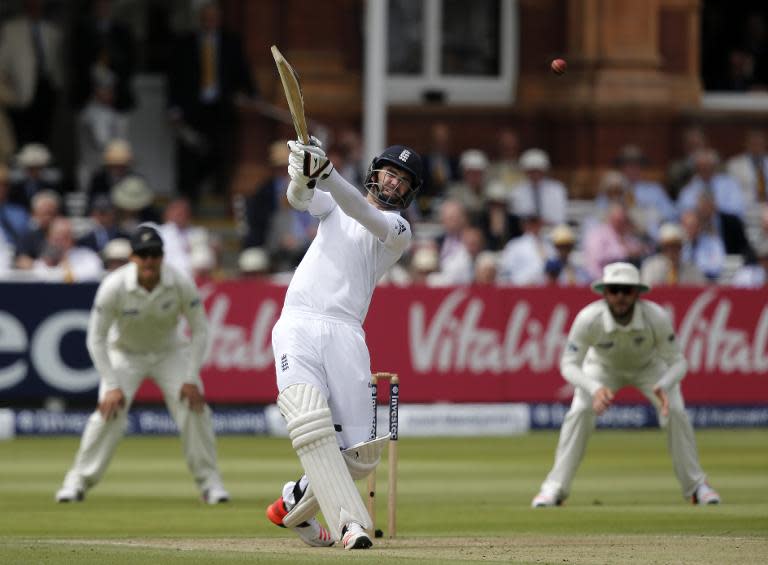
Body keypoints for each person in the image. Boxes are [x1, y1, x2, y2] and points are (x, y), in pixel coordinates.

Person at [265, 140, 423, 550]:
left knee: (362, 456)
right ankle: (352, 525)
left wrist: (328, 172)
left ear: (410, 192)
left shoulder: (398, 230)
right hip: (298, 319)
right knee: (309, 419)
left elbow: (361, 210)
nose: (394, 182)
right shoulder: (332, 203)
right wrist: (302, 172)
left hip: (346, 331)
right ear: (375, 171)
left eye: (403, 180)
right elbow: (298, 198)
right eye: (390, 172)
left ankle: (293, 504)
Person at [55, 224, 229, 504]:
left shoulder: (180, 282)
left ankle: (211, 484)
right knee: (107, 413)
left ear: (162, 256)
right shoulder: (114, 286)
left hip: (169, 352)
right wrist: (112, 385)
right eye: (143, 254)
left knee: (195, 408)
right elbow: (96, 338)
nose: (149, 260)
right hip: (124, 353)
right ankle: (76, 483)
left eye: (154, 254)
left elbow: (200, 330)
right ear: (132, 257)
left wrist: (191, 377)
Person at [531, 262, 721, 507]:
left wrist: (665, 385)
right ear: (605, 292)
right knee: (579, 411)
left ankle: (697, 487)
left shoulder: (655, 317)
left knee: (675, 410)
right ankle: (554, 489)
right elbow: (568, 364)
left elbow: (678, 362)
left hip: (649, 369)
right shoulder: (589, 318)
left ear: (637, 293)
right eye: (614, 290)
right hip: (602, 369)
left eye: (626, 290)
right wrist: (594, 388)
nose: (620, 296)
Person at [166, 1, 257, 204]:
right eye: (206, 18)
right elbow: (174, 78)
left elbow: (243, 71)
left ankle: (218, 196)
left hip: (221, 107)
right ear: (200, 20)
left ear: (219, 20)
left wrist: (251, 95)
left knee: (221, 151)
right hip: (192, 107)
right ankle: (189, 198)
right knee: (190, 152)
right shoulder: (185, 43)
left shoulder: (231, 42)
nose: (209, 22)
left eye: (213, 18)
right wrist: (173, 107)